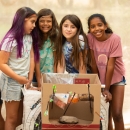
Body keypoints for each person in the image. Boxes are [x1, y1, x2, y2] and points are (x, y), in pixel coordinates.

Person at [0, 7, 39, 130]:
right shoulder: (10, 39)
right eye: (32, 22)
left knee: (20, 117)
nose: (34, 26)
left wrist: (29, 78)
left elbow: (32, 56)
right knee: (11, 119)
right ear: (23, 20)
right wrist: (18, 78)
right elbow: (1, 63)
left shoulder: (29, 36)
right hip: (11, 82)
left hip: (23, 81)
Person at [87, 13, 125, 130]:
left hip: (116, 77)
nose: (96, 29)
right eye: (92, 26)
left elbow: (111, 66)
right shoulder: (90, 37)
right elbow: (93, 63)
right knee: (105, 114)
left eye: (99, 25)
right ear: (89, 29)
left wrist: (107, 89)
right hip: (100, 78)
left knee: (117, 114)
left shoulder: (115, 39)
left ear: (105, 25)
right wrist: (99, 85)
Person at [32, 8, 59, 90]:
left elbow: (56, 60)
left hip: (51, 75)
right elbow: (36, 61)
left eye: (48, 21)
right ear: (37, 22)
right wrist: (40, 83)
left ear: (53, 22)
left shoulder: (56, 36)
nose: (45, 24)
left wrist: (54, 78)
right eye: (42, 21)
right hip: (36, 75)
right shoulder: (34, 37)